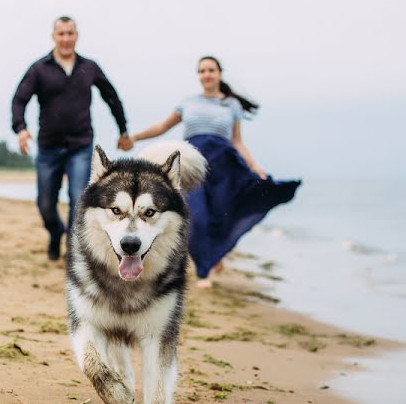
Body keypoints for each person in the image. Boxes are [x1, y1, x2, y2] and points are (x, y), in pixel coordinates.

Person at [127, 56, 300, 288]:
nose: (206, 74)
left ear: (219, 73)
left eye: (210, 70)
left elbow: (237, 141)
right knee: (195, 217)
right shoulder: (188, 103)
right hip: (192, 166)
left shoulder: (231, 105)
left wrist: (254, 167)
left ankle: (213, 258)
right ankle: (204, 271)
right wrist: (135, 137)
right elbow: (162, 127)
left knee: (220, 217)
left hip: (224, 169)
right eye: (202, 71)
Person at [11, 16, 132, 260]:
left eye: (70, 33)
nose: (66, 39)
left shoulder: (89, 67)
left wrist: (123, 130)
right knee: (45, 203)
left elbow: (111, 96)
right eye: (61, 34)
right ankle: (55, 232)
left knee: (79, 198)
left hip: (80, 144)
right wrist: (21, 128)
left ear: (77, 36)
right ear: (54, 37)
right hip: (48, 146)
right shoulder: (39, 68)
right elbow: (19, 100)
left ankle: (72, 249)